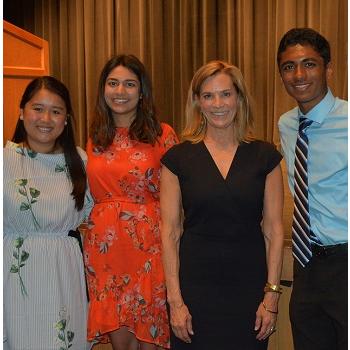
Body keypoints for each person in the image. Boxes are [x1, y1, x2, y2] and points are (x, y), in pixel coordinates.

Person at [160, 60, 284, 349]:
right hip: (194, 294)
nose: (218, 104)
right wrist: (175, 301)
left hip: (249, 294)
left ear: (239, 98)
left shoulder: (265, 156)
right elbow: (170, 233)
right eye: (208, 95)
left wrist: (272, 295)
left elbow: (274, 231)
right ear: (197, 102)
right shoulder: (177, 159)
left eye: (226, 94)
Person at [84, 54, 178, 350]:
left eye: (129, 84)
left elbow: (178, 202)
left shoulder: (163, 135)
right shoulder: (95, 138)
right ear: (103, 89)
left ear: (142, 91)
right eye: (113, 83)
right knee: (120, 345)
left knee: (150, 339)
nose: (120, 91)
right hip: (106, 252)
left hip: (149, 249)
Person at [3, 76, 93, 349]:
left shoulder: (80, 160)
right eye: (37, 108)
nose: (46, 118)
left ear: (66, 119)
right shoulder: (4, 160)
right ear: (21, 112)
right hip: (14, 275)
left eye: (56, 111)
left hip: (65, 274)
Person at [277, 28, 348, 350]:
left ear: (328, 69)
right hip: (306, 264)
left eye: (309, 64)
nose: (299, 75)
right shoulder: (286, 124)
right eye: (289, 66)